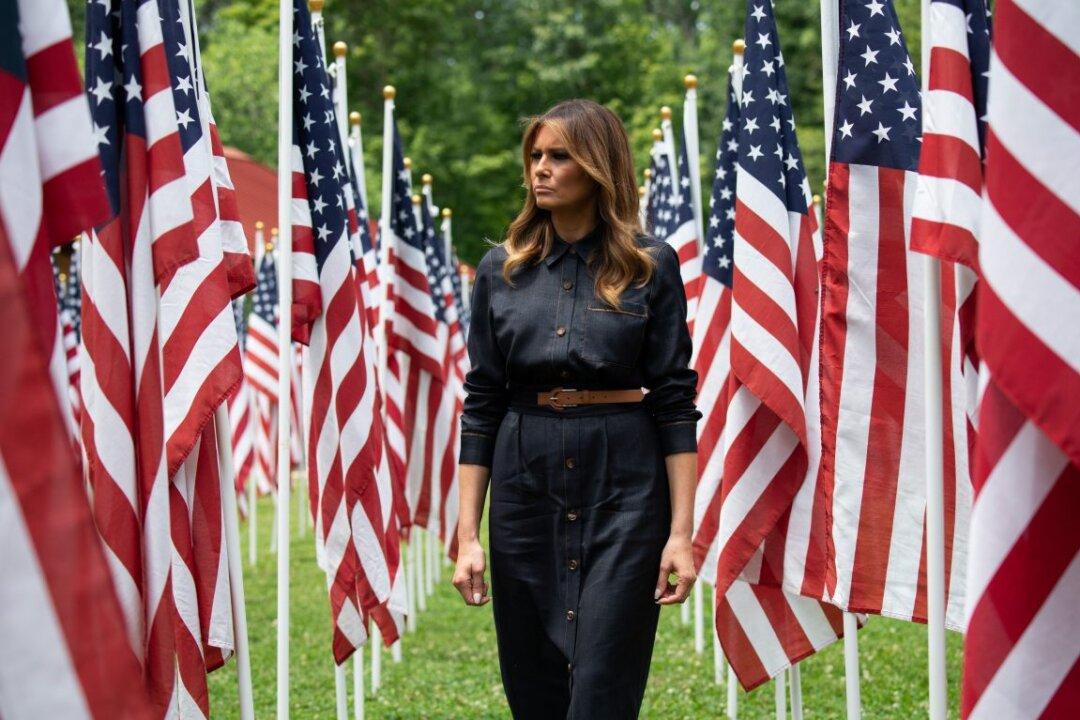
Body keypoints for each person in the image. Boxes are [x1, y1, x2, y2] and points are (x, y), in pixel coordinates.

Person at [452, 98, 702, 719]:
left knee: (604, 690)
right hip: (522, 486)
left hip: (625, 491)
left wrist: (681, 535)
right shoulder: (500, 272)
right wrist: (466, 535)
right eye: (535, 155)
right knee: (532, 687)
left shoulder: (649, 265)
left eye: (559, 155)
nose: (540, 169)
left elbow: (674, 402)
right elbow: (480, 404)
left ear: (597, 165)